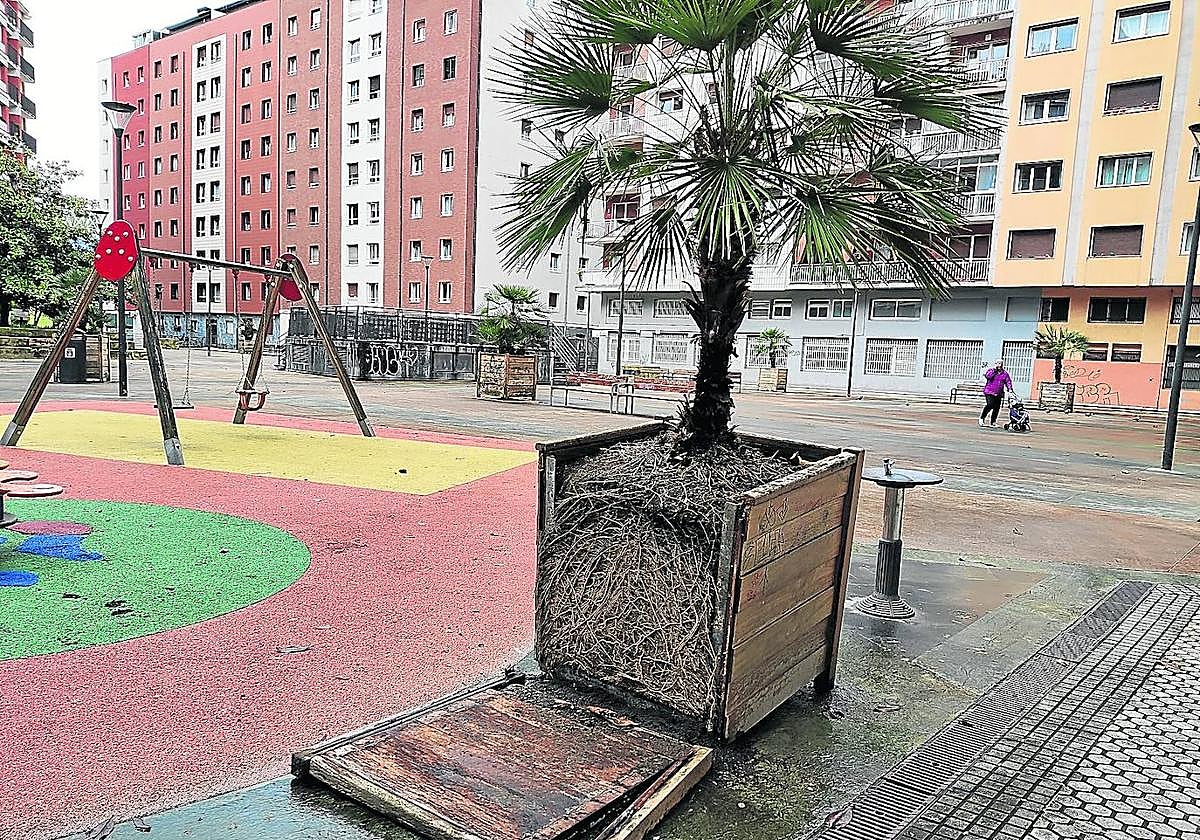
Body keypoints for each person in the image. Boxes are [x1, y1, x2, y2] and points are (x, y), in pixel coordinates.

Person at [979, 360, 1013, 428]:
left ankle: (993, 422)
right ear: (995, 364)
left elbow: (1008, 381)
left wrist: (1010, 389)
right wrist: (994, 370)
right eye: (998, 363)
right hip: (989, 391)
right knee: (990, 404)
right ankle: (982, 418)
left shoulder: (1004, 373)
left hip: (998, 393)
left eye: (1001, 363)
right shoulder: (991, 371)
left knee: (997, 408)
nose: (999, 365)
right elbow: (988, 376)